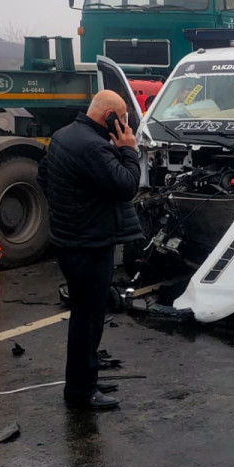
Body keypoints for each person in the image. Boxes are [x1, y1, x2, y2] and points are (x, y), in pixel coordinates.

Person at [38, 90, 143, 411]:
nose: (125, 124)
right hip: (89, 245)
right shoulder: (94, 146)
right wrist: (128, 151)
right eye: (122, 118)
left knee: (87, 316)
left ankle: (86, 378)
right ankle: (81, 391)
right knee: (88, 319)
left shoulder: (64, 136)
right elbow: (127, 186)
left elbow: (42, 177)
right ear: (109, 116)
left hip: (72, 240)